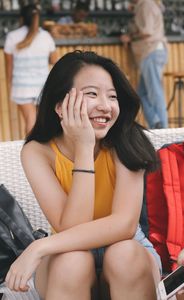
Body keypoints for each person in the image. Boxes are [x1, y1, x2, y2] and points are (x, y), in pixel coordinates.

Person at [5, 50, 161, 300]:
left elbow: (125, 225)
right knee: (71, 261)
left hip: (127, 248)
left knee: (124, 255)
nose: (105, 105)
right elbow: (71, 228)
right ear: (60, 105)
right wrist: (84, 148)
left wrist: (39, 246)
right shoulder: (38, 152)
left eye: (112, 96)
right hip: (67, 251)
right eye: (92, 94)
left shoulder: (127, 140)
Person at [4, 3, 58, 134]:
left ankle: (30, 150)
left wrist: (10, 84)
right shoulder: (46, 36)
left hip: (22, 87)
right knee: (40, 120)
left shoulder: (12, 36)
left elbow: (9, 66)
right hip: (43, 85)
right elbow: (54, 61)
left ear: (21, 19)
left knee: (30, 119)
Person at [121, 0, 168, 129]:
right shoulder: (146, 5)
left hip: (151, 51)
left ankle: (164, 129)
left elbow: (147, 30)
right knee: (142, 93)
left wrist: (130, 37)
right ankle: (156, 123)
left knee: (154, 92)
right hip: (151, 52)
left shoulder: (146, 5)